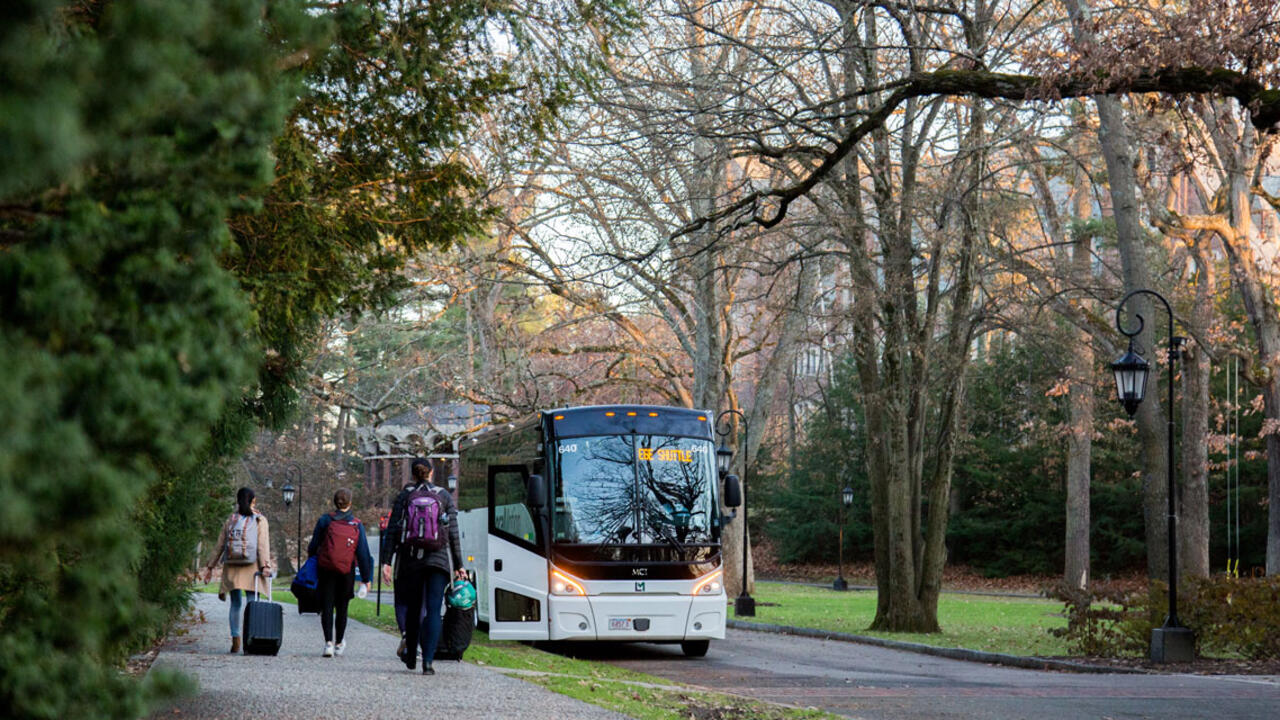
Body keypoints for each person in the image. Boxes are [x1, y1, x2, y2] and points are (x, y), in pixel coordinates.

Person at [382, 458, 467, 675]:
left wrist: (386, 561)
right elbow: (453, 533)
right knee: (433, 609)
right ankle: (428, 662)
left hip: (412, 559)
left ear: (412, 474)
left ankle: (411, 655)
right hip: (438, 561)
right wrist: (459, 564)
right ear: (431, 472)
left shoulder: (406, 495)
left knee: (413, 608)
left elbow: (393, 529)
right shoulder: (444, 496)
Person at [201, 487, 274, 654]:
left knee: (235, 604)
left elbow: (220, 545)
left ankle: (235, 639)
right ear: (253, 501)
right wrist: (265, 566)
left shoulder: (231, 519)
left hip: (232, 566)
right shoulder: (259, 520)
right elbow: (262, 545)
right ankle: (250, 638)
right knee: (251, 603)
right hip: (252, 566)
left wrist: (210, 567)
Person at [306, 488, 373, 657]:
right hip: (346, 570)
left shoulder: (325, 520)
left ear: (335, 502)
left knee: (327, 605)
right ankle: (338, 643)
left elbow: (313, 546)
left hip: (326, 568)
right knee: (342, 607)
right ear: (350, 503)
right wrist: (366, 578)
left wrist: (315, 558)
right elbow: (363, 553)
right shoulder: (357, 525)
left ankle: (328, 643)